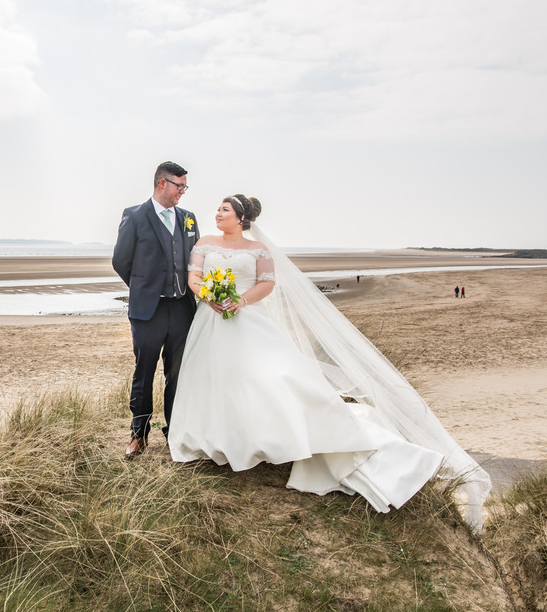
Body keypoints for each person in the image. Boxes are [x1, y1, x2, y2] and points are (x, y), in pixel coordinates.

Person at [167, 194, 491, 531]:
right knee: (212, 378)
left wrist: (239, 301)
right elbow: (194, 279)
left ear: (240, 218)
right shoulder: (204, 243)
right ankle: (213, 441)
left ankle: (270, 440)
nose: (217, 214)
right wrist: (211, 297)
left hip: (247, 319)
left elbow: (266, 284)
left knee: (272, 377)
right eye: (218, 209)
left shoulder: (257, 250)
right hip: (210, 320)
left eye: (224, 210)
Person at [112, 161, 201, 459]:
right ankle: (139, 435)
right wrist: (143, 288)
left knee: (177, 373)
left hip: (182, 309)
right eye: (179, 186)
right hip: (147, 310)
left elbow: (196, 260)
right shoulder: (135, 216)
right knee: (144, 372)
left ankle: (174, 432)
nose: (182, 192)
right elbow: (120, 261)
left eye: (184, 187)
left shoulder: (189, 219)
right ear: (162, 183)